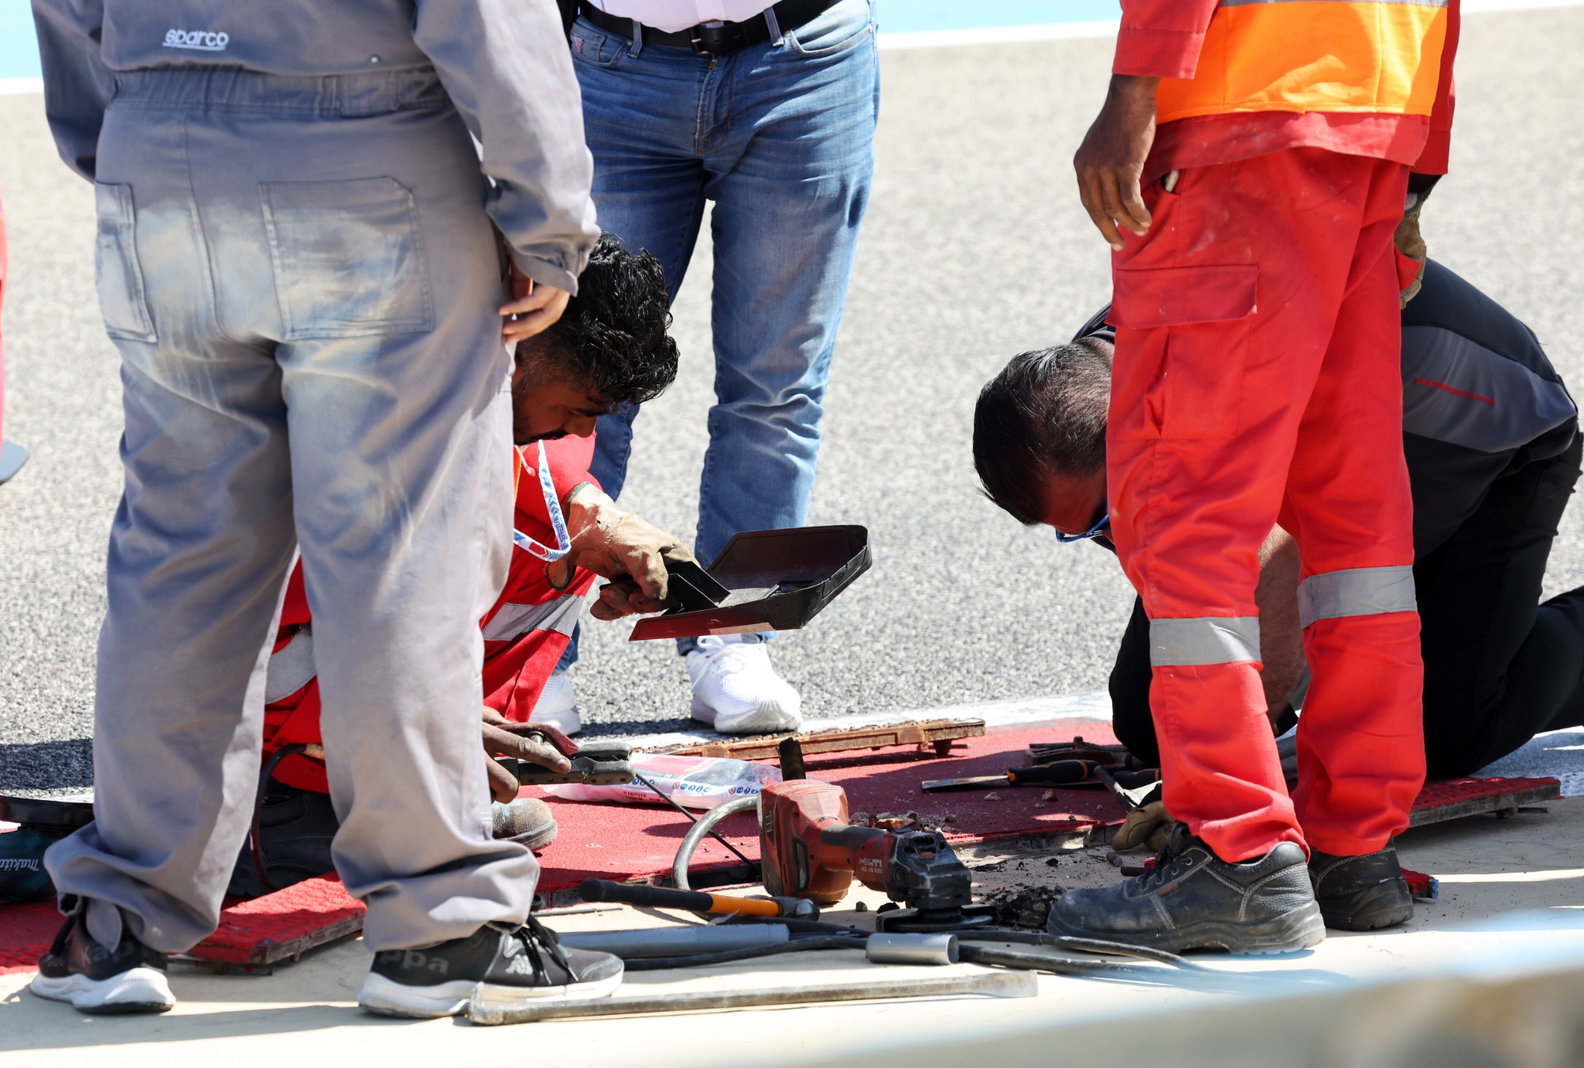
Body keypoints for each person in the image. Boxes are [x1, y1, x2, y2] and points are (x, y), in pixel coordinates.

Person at [31, 0, 621, 1021]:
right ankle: (439, 927)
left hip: (159, 152)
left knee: (181, 559)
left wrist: (133, 136)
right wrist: (549, 223)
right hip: (367, 151)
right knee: (400, 556)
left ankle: (116, 920)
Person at [1055, 0, 1453, 951]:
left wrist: (1133, 92)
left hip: (1243, 121)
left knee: (1186, 507)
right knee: (1352, 520)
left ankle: (1238, 855)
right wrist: (1419, 167)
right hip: (1375, 117)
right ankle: (1352, 851)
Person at [976, 255, 1583, 800]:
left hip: (1486, 434)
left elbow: (1282, 560)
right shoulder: (1105, 379)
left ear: (1141, 439)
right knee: (1153, 723)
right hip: (1342, 428)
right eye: (1085, 533)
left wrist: (1236, 786)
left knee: (1444, 729)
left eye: (1107, 520)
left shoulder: (1248, 377)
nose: (1116, 546)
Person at [240, 234, 687, 893]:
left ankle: (429, 778)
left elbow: (537, 476)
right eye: (577, 410)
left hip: (332, 646)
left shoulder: (470, 360)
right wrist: (410, 709)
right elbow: (312, 594)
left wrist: (594, 515)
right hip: (247, 667)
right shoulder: (380, 390)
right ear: (528, 342)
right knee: (454, 562)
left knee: (557, 562)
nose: (582, 434)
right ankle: (299, 802)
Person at [541, 0, 880, 735]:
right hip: (615, 64)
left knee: (776, 389)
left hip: (804, 60)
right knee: (576, 376)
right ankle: (535, 656)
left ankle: (733, 638)